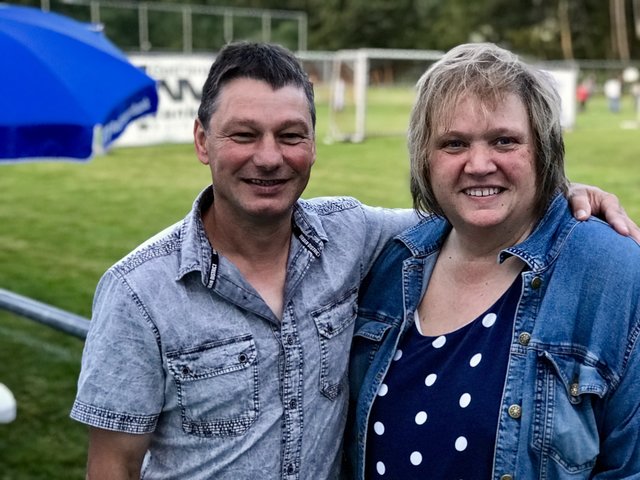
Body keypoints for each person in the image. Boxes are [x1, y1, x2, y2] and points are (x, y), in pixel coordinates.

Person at [69, 42, 638, 480]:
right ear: (202, 141)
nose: (268, 157)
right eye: (243, 134)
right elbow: (112, 466)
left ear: (314, 144)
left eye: (290, 135)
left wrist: (561, 195)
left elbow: (473, 207)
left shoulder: (354, 236)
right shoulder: (139, 292)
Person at [346, 43, 640, 480]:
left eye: (504, 141)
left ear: (543, 150)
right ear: (425, 159)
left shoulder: (613, 271)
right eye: (454, 143)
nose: (479, 164)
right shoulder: (393, 262)